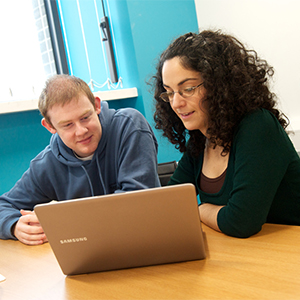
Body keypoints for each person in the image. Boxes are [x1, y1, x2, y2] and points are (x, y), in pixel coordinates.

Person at [152, 30, 300, 238]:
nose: (176, 103)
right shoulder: (200, 139)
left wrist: (199, 209)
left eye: (188, 88)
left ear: (218, 85)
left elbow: (241, 222)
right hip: (247, 254)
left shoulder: (258, 126)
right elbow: (170, 203)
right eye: (169, 92)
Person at [0, 74, 160, 245]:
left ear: (96, 105)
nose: (81, 131)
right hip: (91, 253)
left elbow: (138, 203)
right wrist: (15, 225)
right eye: (67, 125)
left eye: (85, 117)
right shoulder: (47, 164)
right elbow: (3, 206)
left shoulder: (129, 125)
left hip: (144, 241)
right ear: (50, 126)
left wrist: (59, 221)